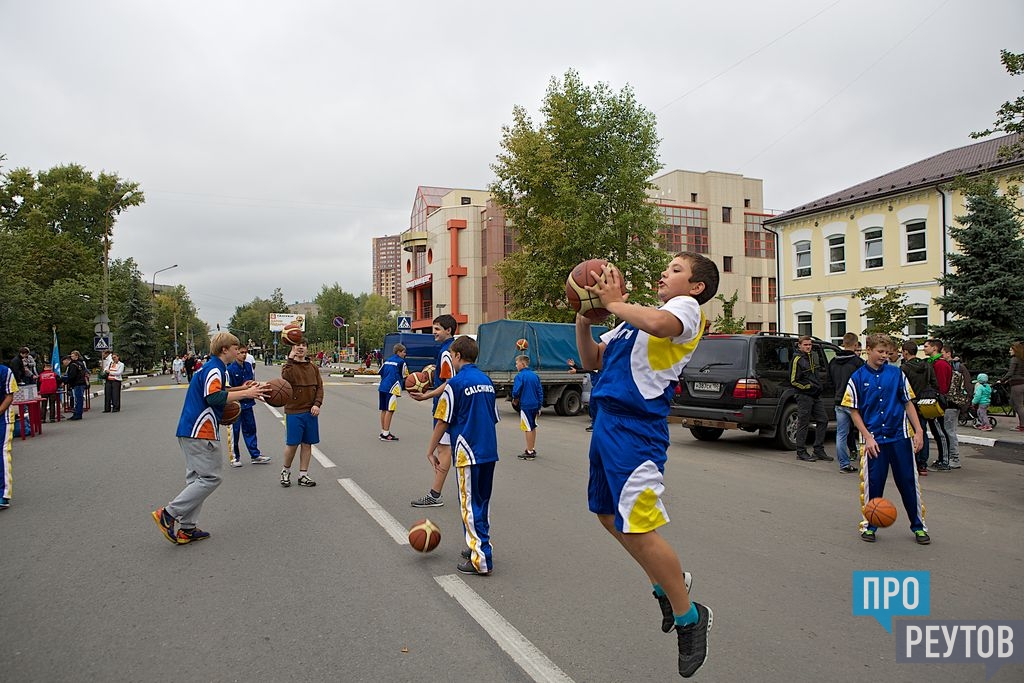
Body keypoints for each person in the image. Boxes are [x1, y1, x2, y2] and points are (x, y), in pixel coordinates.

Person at [575, 252, 716, 679]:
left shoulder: (685, 311)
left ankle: (692, 617)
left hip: (637, 431)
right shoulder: (626, 323)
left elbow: (658, 325)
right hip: (606, 424)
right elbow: (591, 360)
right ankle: (666, 584)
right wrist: (585, 316)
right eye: (666, 267)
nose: (664, 272)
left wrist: (615, 300)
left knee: (637, 523)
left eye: (676, 270)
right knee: (605, 514)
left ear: (695, 287)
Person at [151, 332, 268, 544]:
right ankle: (168, 513)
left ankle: (187, 528)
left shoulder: (212, 367)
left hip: (189, 430)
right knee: (211, 478)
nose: (238, 352)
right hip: (200, 431)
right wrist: (245, 395)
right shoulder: (215, 369)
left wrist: (246, 388)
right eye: (235, 348)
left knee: (196, 480)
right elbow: (213, 396)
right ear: (225, 350)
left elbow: (221, 390)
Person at [842, 334, 930, 545]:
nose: (884, 356)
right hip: (873, 440)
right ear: (869, 350)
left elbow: (908, 403)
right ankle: (870, 525)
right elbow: (854, 411)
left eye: (887, 352)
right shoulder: (857, 377)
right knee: (873, 484)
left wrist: (918, 432)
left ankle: (918, 526)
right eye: (880, 351)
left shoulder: (897, 374)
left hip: (900, 437)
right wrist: (867, 437)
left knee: (909, 482)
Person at [425, 335, 499, 575]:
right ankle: (476, 544)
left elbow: (442, 421)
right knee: (482, 502)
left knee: (468, 504)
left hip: (468, 451)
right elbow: (493, 417)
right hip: (488, 450)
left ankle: (481, 560)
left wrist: (430, 449)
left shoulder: (454, 384)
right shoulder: (486, 381)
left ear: (456, 356)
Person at [408, 314, 457, 508]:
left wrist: (426, 396)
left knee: (444, 449)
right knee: (445, 449)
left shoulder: (447, 352)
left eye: (437, 329)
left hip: (445, 407)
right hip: (447, 407)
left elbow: (449, 382)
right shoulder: (450, 349)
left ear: (449, 330)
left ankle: (435, 495)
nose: (433, 333)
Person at [280, 338, 323, 488]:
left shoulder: (313, 368)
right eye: (297, 345)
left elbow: (319, 388)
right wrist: (290, 359)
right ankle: (285, 471)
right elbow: (286, 377)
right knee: (292, 444)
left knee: (307, 443)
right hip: (293, 411)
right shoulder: (288, 366)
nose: (300, 348)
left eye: (303, 345)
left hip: (310, 411)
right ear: (292, 348)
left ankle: (303, 475)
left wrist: (317, 404)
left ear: (307, 349)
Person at [899, 341, 942, 475]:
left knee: (908, 433)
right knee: (921, 431)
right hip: (925, 403)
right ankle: (922, 463)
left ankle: (911, 461)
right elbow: (935, 383)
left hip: (909, 403)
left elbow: (901, 388)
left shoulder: (904, 368)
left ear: (906, 352)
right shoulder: (927, 365)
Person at [226, 344, 271, 467]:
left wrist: (258, 390)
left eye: (245, 352)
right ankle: (235, 458)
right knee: (234, 431)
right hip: (234, 405)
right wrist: (244, 388)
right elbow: (227, 390)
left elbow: (252, 382)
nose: (244, 354)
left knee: (251, 428)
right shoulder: (229, 369)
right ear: (236, 353)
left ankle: (255, 455)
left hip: (247, 403)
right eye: (241, 352)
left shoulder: (248, 366)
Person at [789, 336, 831, 462]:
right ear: (800, 345)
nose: (808, 347)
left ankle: (818, 449)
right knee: (804, 422)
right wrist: (807, 387)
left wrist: (817, 386)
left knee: (823, 420)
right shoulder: (797, 359)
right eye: (806, 344)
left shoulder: (812, 356)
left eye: (810, 344)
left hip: (815, 395)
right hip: (804, 395)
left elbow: (815, 374)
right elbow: (793, 380)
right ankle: (801, 451)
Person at [827, 332, 863, 473]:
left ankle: (844, 464)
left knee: (841, 434)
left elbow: (829, 381)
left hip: (839, 400)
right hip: (855, 402)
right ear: (855, 345)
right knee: (863, 431)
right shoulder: (857, 362)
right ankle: (867, 462)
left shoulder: (833, 361)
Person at [922, 339, 954, 472]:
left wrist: (934, 397)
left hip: (937, 401)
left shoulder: (940, 364)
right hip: (934, 401)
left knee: (940, 431)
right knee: (936, 430)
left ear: (934, 348)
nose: (924, 349)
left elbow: (940, 386)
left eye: (926, 346)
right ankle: (942, 458)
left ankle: (944, 460)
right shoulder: (934, 363)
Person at [941, 345, 969, 469]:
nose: (941, 355)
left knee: (950, 431)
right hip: (949, 403)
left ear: (948, 353)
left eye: (942, 353)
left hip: (953, 403)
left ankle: (954, 458)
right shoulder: (947, 366)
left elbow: (967, 386)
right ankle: (948, 457)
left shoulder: (958, 367)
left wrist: (965, 404)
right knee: (947, 430)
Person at [511, 354, 543, 460]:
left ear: (523, 364)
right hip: (535, 405)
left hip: (526, 405)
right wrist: (539, 405)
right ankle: (531, 448)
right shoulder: (535, 376)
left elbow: (516, 391)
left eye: (517, 363)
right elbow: (540, 391)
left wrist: (515, 399)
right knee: (533, 427)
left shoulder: (520, 376)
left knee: (527, 428)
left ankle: (529, 452)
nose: (516, 366)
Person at [377, 343, 408, 442]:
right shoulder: (401, 362)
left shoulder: (387, 361)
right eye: (404, 352)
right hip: (392, 388)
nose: (405, 354)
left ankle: (383, 432)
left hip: (382, 387)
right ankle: (386, 434)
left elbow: (380, 372)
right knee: (390, 410)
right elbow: (406, 376)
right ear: (399, 352)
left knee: (384, 409)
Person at [997, 341, 1024, 432]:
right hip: (1021, 383)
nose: (1009, 351)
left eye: (1011, 350)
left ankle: (1022, 426)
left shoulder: (1014, 359)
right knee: (1013, 403)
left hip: (1017, 385)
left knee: (1018, 405)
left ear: (1015, 350)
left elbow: (1010, 373)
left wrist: (1002, 380)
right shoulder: (1021, 359)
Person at [0, 363, 16, 509]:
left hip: (2, 420)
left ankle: (2, 495)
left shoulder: (4, 371)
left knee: (2, 453)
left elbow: (9, 396)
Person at [65, 350, 89, 421]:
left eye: (72, 356)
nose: (71, 357)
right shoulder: (81, 363)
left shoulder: (73, 365)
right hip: (81, 383)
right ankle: (78, 413)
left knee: (78, 400)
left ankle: (77, 414)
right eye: (71, 356)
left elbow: (72, 375)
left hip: (77, 383)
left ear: (76, 356)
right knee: (79, 399)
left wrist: (67, 381)